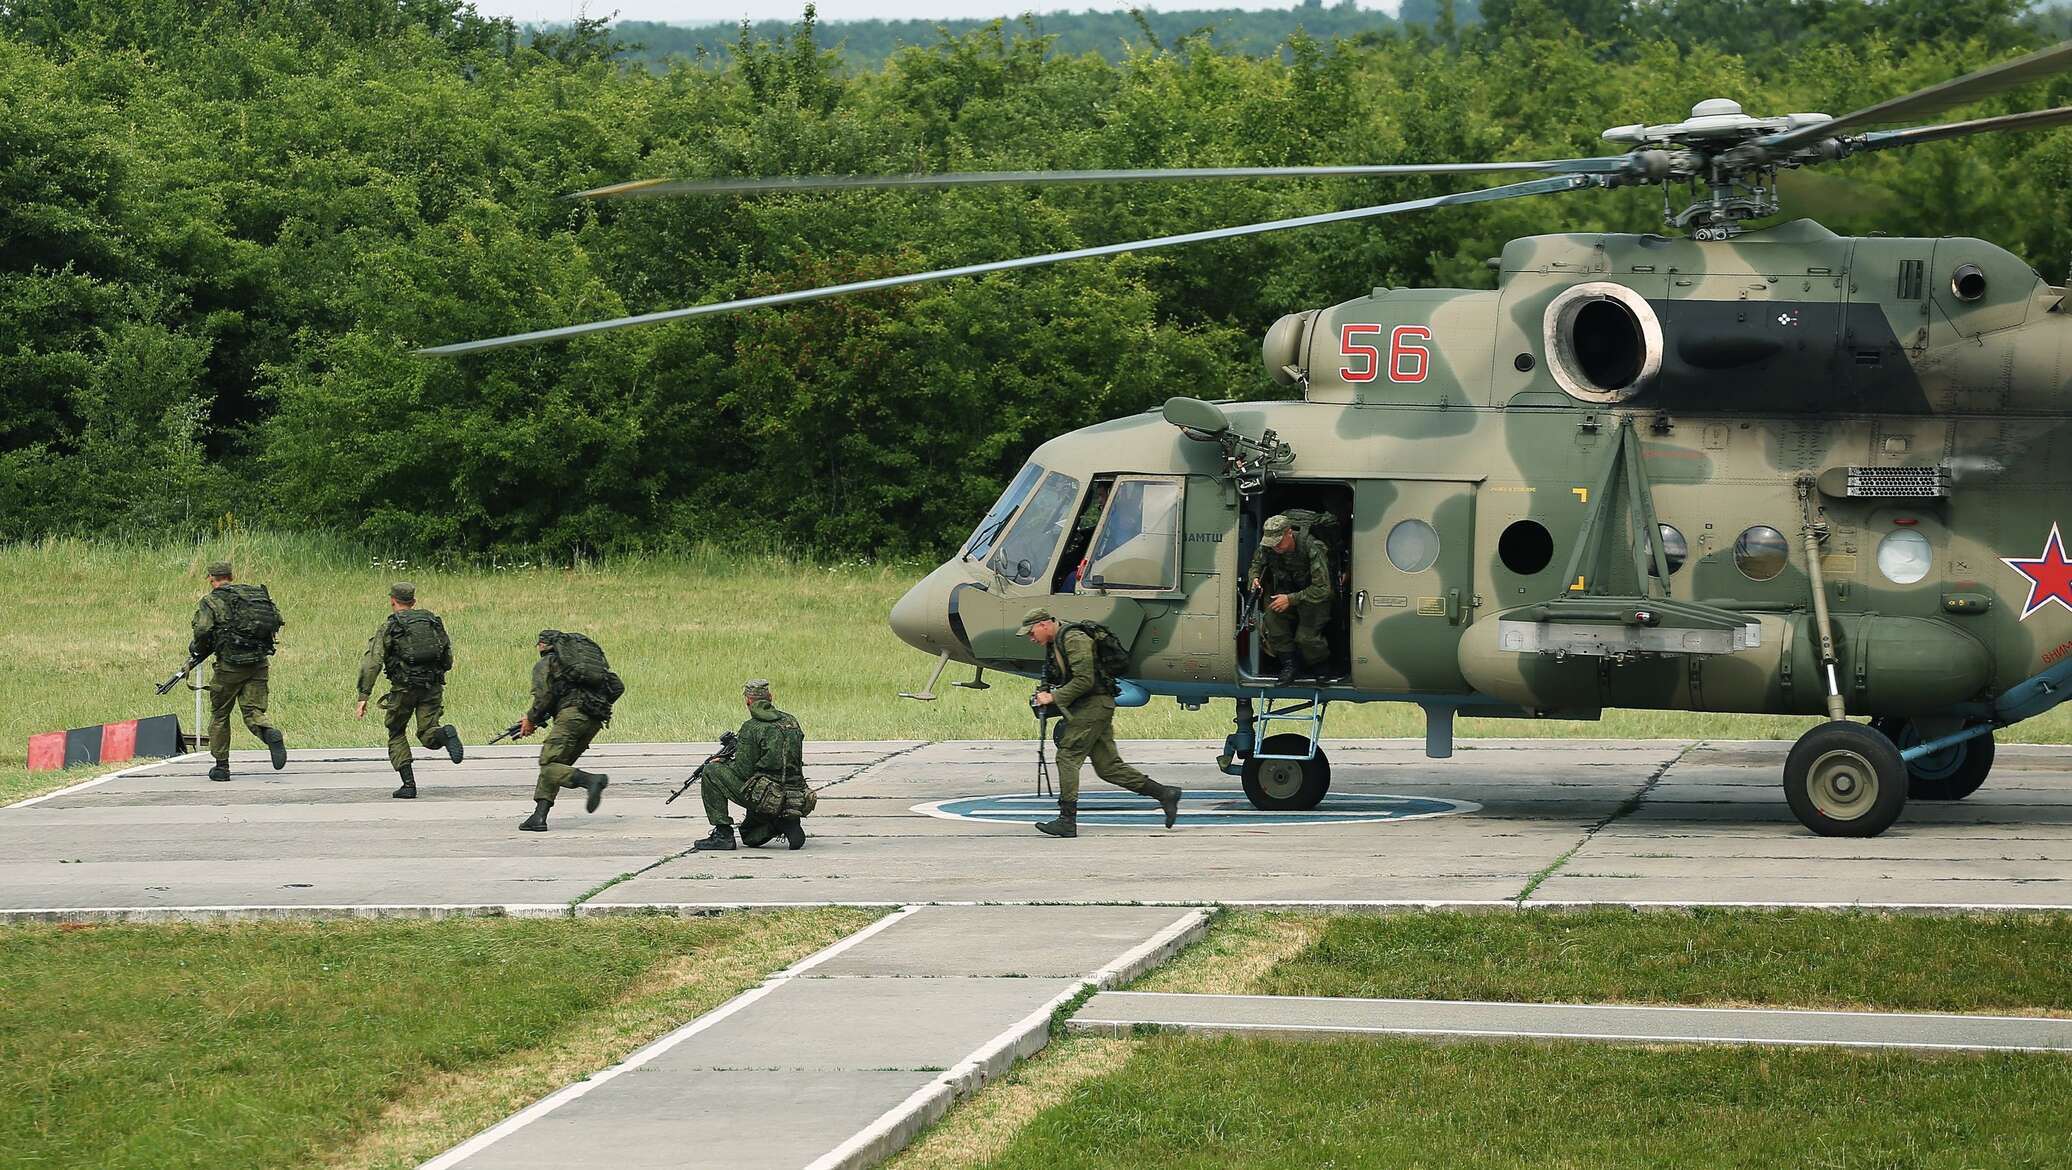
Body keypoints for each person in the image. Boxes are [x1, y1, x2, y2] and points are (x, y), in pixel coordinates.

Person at [1021, 608, 1180, 838]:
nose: (1031, 638)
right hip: (1091, 706)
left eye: (1031, 632)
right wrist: (1044, 690)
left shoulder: (1074, 639)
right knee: (1108, 768)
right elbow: (1054, 674)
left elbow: (1085, 680)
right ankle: (1165, 794)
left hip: (1094, 705)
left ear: (1044, 624)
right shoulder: (1054, 643)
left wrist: (1054, 697)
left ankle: (1067, 820)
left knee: (1067, 756)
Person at [353, 582, 462, 799]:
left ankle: (408, 785)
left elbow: (373, 661)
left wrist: (364, 695)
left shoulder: (390, 626)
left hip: (404, 688)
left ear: (392, 600)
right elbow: (447, 658)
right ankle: (444, 734)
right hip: (432, 685)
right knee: (427, 732)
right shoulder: (431, 621)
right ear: (413, 602)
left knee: (396, 730)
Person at [189, 560, 288, 782]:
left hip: (230, 666)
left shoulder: (211, 600)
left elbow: (203, 629)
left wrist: (197, 648)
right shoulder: (253, 595)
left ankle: (222, 767)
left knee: (220, 714)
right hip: (259, 662)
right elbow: (277, 620)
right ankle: (269, 732)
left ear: (210, 578)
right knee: (253, 711)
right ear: (231, 576)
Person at [691, 679, 811, 851]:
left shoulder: (752, 727)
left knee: (711, 771)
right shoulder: (791, 721)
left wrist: (723, 762)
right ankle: (781, 823)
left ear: (748, 701)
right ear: (770, 697)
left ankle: (722, 834)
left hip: (767, 795)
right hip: (794, 794)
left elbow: (743, 771)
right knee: (749, 836)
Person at [514, 630, 612, 832]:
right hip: (594, 720)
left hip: (570, 718)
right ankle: (539, 816)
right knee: (558, 767)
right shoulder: (583, 668)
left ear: (543, 645)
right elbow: (617, 686)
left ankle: (591, 781)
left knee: (549, 765)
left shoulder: (546, 663)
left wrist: (531, 720)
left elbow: (543, 696)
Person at [1247, 513, 1332, 685]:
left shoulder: (1312, 547)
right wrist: (1254, 579)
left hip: (1314, 599)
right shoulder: (1268, 547)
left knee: (1306, 638)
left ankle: (1321, 667)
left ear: (1289, 533)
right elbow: (1256, 564)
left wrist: (1290, 599)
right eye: (1272, 543)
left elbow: (1323, 589)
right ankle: (1289, 665)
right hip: (1287, 595)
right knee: (1272, 618)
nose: (1275, 547)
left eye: (1279, 542)